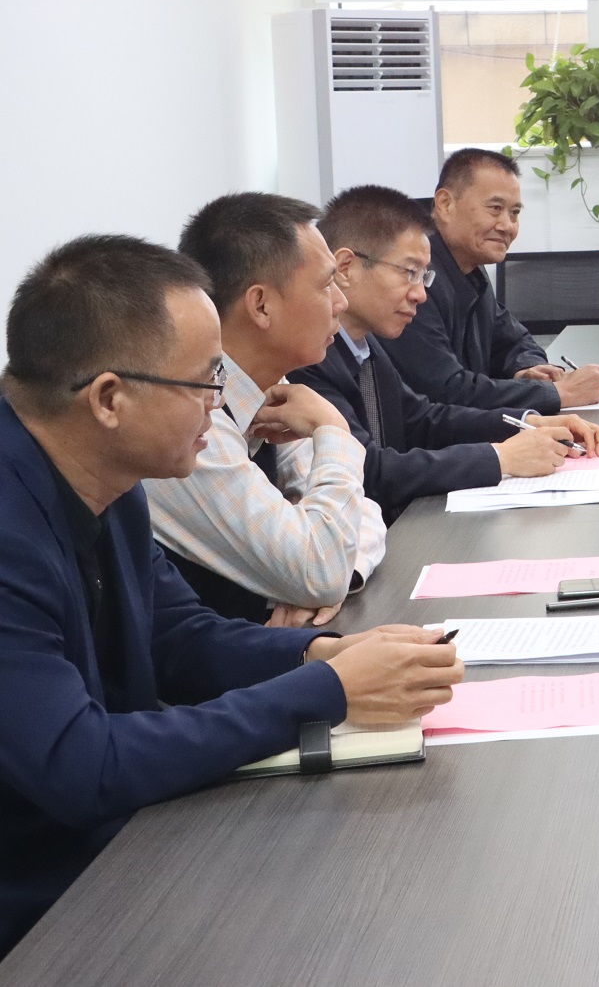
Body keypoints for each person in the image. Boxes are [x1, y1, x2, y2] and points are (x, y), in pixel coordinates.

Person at [0, 234, 462, 955]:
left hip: (118, 851)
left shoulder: (112, 479)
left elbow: (179, 636)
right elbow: (82, 765)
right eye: (204, 381)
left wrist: (321, 652)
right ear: (110, 398)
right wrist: (329, 691)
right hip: (44, 912)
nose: (220, 404)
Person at [292, 186, 599, 523]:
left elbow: (423, 419)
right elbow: (368, 469)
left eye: (423, 277)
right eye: (409, 272)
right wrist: (500, 458)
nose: (420, 294)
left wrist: (528, 423)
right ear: (345, 268)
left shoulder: (366, 345)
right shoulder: (307, 359)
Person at [145, 194, 386, 628]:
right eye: (325, 285)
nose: (341, 302)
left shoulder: (271, 388)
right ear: (260, 305)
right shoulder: (192, 421)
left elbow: (360, 515)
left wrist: (336, 573)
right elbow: (318, 567)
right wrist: (333, 430)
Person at [379, 149, 599, 413]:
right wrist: (558, 393)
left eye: (514, 213)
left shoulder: (470, 270)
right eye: (495, 209)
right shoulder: (415, 280)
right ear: (445, 204)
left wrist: (526, 368)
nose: (507, 226)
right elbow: (446, 390)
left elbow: (514, 340)